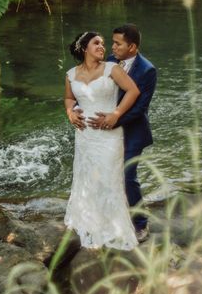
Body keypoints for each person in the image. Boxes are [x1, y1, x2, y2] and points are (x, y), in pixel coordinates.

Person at [64, 31, 140, 250]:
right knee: (86, 176)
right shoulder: (71, 74)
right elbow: (69, 98)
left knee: (109, 177)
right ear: (84, 47)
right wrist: (70, 113)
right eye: (97, 43)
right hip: (85, 135)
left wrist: (115, 114)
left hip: (108, 135)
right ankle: (89, 222)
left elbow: (133, 91)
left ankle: (114, 228)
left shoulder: (111, 69)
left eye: (104, 44)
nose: (102, 47)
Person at [86, 24, 157, 243]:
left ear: (132, 47)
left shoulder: (147, 70)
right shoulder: (109, 60)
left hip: (133, 132)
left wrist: (114, 118)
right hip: (106, 129)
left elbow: (140, 108)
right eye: (113, 42)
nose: (113, 47)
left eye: (118, 44)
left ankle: (140, 224)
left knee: (127, 176)